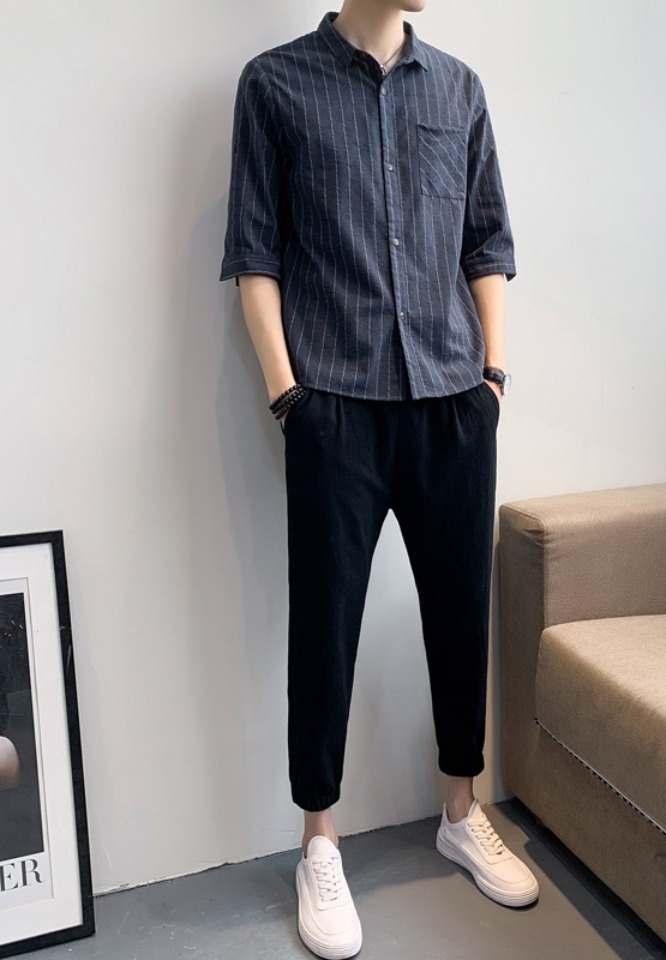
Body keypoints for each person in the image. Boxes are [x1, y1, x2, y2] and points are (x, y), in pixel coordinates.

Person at [219, 2, 539, 956]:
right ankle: (319, 841)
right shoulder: (275, 84)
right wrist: (289, 396)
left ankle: (459, 811)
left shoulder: (460, 89)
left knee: (460, 611)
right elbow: (254, 256)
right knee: (325, 622)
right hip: (335, 405)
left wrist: (492, 379)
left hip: (452, 399)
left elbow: (487, 244)